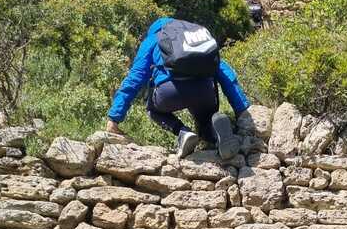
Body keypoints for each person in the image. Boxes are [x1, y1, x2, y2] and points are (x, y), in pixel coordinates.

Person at [106, 16, 251, 161]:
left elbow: (134, 79)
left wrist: (114, 118)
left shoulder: (154, 39)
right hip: (205, 91)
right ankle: (214, 134)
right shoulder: (194, 35)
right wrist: (241, 109)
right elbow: (223, 71)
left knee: (153, 110)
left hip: (169, 93)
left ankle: (183, 132)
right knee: (205, 121)